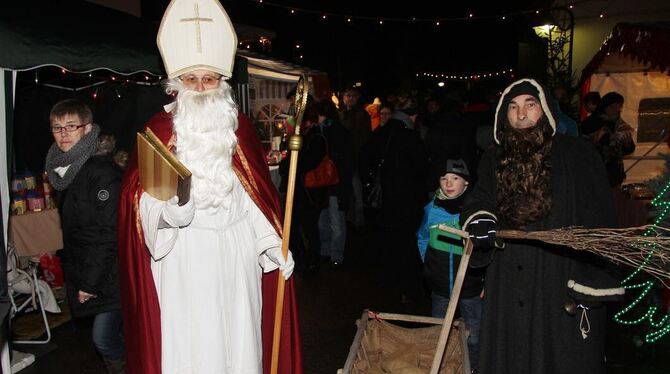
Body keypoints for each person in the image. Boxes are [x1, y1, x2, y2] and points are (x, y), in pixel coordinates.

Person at [116, 0, 302, 373]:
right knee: (194, 351)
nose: (201, 87)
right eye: (191, 79)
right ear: (176, 84)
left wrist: (270, 243)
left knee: (241, 344)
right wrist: (169, 212)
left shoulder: (240, 128)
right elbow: (135, 204)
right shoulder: (158, 130)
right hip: (184, 260)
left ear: (222, 81)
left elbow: (253, 199)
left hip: (237, 257)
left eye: (210, 78)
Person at [461, 79, 624, 374]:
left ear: (546, 110)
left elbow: (600, 218)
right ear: (503, 115)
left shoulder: (577, 153)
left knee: (558, 355)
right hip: (507, 278)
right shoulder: (493, 157)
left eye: (529, 105)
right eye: (513, 107)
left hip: (558, 277)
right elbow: (479, 198)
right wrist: (481, 218)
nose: (521, 114)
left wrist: (590, 277)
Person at [45, 99, 125, 373]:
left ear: (88, 129)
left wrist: (89, 283)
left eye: (71, 126)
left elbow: (109, 233)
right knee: (112, 338)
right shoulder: (63, 170)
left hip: (111, 274)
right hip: (88, 269)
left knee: (103, 339)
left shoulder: (102, 172)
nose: (63, 133)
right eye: (57, 128)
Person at [416, 158, 484, 371]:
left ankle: (471, 367)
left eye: (455, 178)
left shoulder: (475, 211)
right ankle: (442, 366)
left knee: (473, 334)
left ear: (466, 183)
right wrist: (429, 264)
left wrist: (484, 280)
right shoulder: (431, 209)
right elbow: (423, 237)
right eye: (444, 178)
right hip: (440, 285)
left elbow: (486, 249)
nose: (449, 183)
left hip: (470, 286)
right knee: (440, 330)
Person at [580, 91, 635, 187]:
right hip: (595, 171)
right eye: (613, 106)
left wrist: (627, 144)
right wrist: (599, 141)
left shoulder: (620, 124)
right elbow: (583, 147)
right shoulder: (591, 123)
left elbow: (626, 150)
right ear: (605, 106)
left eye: (619, 106)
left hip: (615, 174)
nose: (616, 110)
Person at [339, 87, 371, 228]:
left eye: (353, 96)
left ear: (357, 98)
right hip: (344, 158)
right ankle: (349, 217)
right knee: (348, 190)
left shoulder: (361, 114)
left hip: (356, 157)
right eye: (347, 95)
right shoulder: (341, 114)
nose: (350, 98)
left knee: (356, 190)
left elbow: (364, 138)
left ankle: (358, 219)